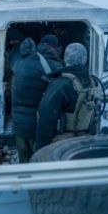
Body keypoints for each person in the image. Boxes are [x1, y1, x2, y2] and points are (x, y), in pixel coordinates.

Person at [35, 43, 98, 151]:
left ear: (65, 58)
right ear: (85, 59)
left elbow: (46, 118)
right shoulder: (91, 81)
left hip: (62, 143)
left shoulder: (61, 84)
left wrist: (41, 148)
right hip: (84, 141)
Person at [11, 34, 63, 163]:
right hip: (37, 125)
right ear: (55, 48)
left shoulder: (22, 63)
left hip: (18, 124)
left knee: (24, 161)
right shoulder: (53, 67)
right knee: (39, 162)